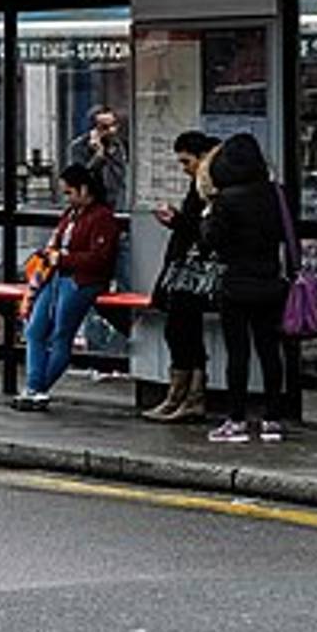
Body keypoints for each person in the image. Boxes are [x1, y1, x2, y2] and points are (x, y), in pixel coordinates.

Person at [197, 133, 290, 444]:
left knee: (238, 353)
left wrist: (208, 214)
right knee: (269, 351)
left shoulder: (226, 200)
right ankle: (273, 418)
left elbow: (211, 241)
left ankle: (236, 419)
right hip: (270, 281)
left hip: (236, 283)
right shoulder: (276, 194)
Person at [12, 163, 121, 412]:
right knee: (35, 330)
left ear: (84, 190)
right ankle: (34, 386)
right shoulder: (71, 215)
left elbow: (100, 258)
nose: (67, 198)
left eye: (69, 192)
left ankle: (37, 388)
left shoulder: (102, 217)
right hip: (56, 277)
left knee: (62, 333)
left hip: (82, 281)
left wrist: (63, 259)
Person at [143, 130, 219, 422]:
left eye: (186, 161)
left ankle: (189, 396)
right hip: (184, 269)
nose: (184, 168)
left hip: (194, 272)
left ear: (201, 157)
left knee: (184, 331)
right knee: (177, 330)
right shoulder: (198, 185)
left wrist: (176, 220)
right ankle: (180, 394)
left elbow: (202, 231)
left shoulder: (209, 188)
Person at [67, 105, 128, 208]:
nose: (112, 131)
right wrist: (98, 156)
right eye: (105, 127)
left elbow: (120, 177)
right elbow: (81, 179)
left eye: (114, 125)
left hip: (117, 205)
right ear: (93, 130)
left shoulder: (118, 146)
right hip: (92, 207)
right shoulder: (78, 147)